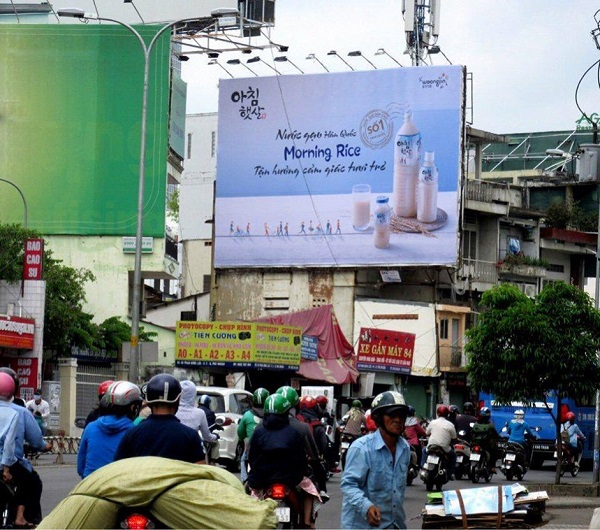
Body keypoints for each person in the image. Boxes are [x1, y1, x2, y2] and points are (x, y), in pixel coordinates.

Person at [341, 390, 410, 529]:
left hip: (393, 525)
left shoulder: (405, 448)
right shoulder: (361, 448)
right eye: (392, 414)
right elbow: (348, 485)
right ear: (378, 418)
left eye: (401, 415)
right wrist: (367, 507)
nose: (398, 419)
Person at [247, 393, 319, 528]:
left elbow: (252, 457)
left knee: (246, 492)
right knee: (311, 491)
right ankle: (308, 523)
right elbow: (301, 460)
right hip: (291, 479)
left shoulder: (258, 431)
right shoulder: (295, 432)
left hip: (262, 480)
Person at [114, 374, 205, 464]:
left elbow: (118, 468)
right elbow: (201, 472)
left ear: (148, 400)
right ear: (178, 399)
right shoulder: (191, 436)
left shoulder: (132, 434)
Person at [77, 381, 141, 479]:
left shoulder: (91, 427)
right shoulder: (134, 431)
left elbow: (81, 467)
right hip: (118, 487)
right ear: (132, 407)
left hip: (89, 486)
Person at [175, 381, 219, 463]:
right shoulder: (199, 413)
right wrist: (215, 436)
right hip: (192, 452)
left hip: (174, 450)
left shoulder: (173, 410)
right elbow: (207, 436)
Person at [237, 387, 269, 483]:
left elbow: (240, 433)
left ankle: (245, 481)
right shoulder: (272, 415)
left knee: (243, 460)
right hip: (270, 448)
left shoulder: (247, 415)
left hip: (252, 451)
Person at [423, 405, 457, 479]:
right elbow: (454, 438)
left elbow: (427, 433)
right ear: (447, 414)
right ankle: (450, 473)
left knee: (423, 451)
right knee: (453, 455)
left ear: (437, 413)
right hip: (444, 448)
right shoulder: (450, 424)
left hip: (431, 446)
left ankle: (423, 467)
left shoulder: (432, 422)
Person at [470, 407, 501, 473]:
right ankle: (492, 467)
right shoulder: (490, 425)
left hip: (475, 443)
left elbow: (471, 433)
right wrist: (499, 437)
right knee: (495, 451)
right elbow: (495, 434)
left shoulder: (475, 424)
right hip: (486, 445)